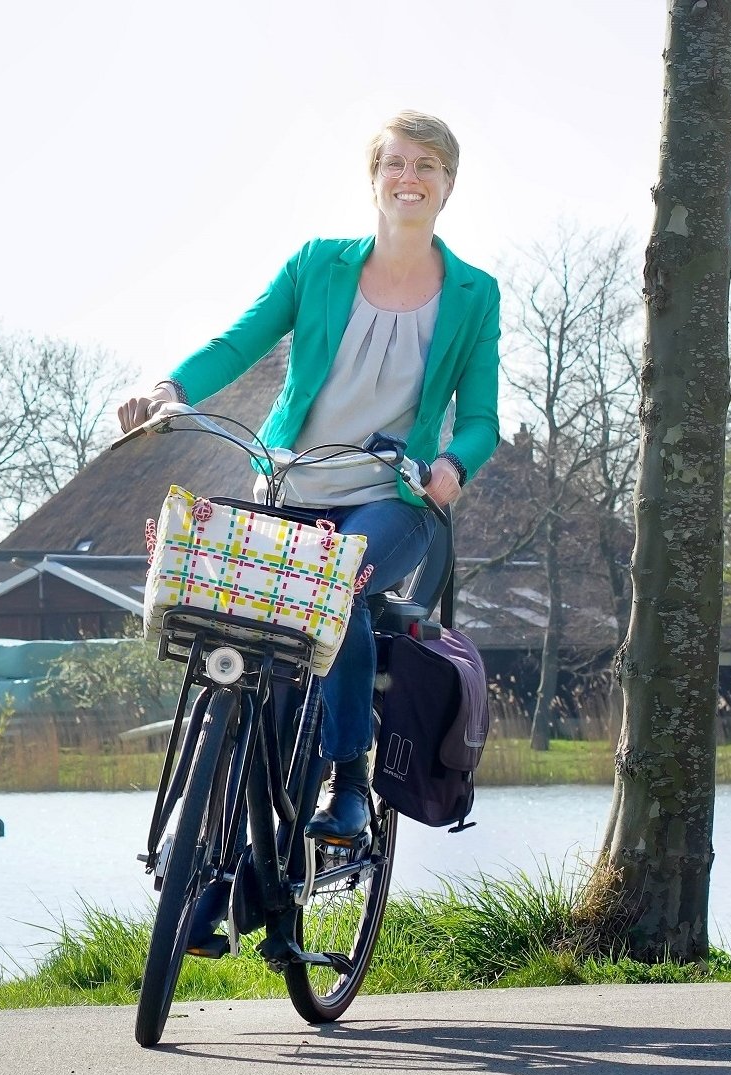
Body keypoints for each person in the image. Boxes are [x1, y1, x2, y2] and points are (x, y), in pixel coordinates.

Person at [118, 110, 501, 842]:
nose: (408, 178)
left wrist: (452, 464)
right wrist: (171, 388)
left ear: (447, 184)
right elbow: (238, 341)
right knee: (235, 630)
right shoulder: (316, 265)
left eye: (426, 165)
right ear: (373, 178)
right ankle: (211, 850)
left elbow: (480, 415)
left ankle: (349, 785)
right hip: (288, 483)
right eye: (395, 163)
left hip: (392, 497)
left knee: (339, 586)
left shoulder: (473, 294)